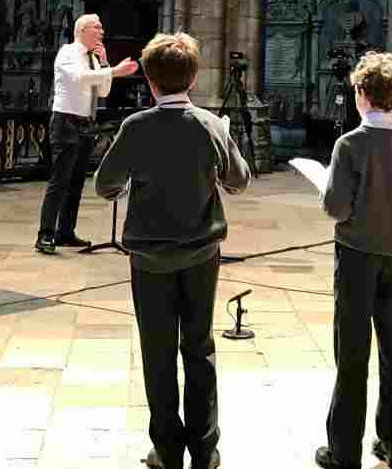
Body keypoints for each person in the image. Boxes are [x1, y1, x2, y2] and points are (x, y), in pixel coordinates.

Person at [94, 32, 251, 469]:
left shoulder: (135, 127)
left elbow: (105, 184)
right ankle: (205, 447)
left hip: (149, 258)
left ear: (147, 79)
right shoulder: (211, 125)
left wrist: (129, 183)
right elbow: (239, 181)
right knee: (199, 346)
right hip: (202, 253)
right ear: (195, 76)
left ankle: (166, 449)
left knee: (157, 349)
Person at [314, 52, 392, 469]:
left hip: (357, 256)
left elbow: (336, 208)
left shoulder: (350, 144)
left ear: (361, 94)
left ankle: (344, 451)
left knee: (352, 352)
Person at [35, 13, 138, 254]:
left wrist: (104, 64)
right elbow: (80, 78)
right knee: (59, 181)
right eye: (97, 27)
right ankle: (45, 234)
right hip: (65, 122)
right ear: (82, 30)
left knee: (76, 183)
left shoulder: (93, 59)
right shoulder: (68, 52)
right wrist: (114, 71)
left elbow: (102, 91)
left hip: (84, 125)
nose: (102, 31)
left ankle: (65, 233)